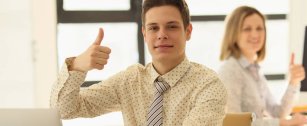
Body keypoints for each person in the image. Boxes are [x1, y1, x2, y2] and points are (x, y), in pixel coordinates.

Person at [50, 0, 227, 125]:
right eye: (153, 28)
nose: (161, 34)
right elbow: (65, 110)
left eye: (171, 26)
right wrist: (77, 66)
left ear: (188, 31)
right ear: (144, 33)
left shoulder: (207, 84)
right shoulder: (130, 80)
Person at [218, 6, 307, 126]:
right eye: (247, 29)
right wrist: (283, 123)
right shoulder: (230, 70)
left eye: (259, 28)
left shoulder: (254, 70)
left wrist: (293, 82)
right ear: (234, 33)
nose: (255, 34)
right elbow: (234, 123)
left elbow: (277, 113)